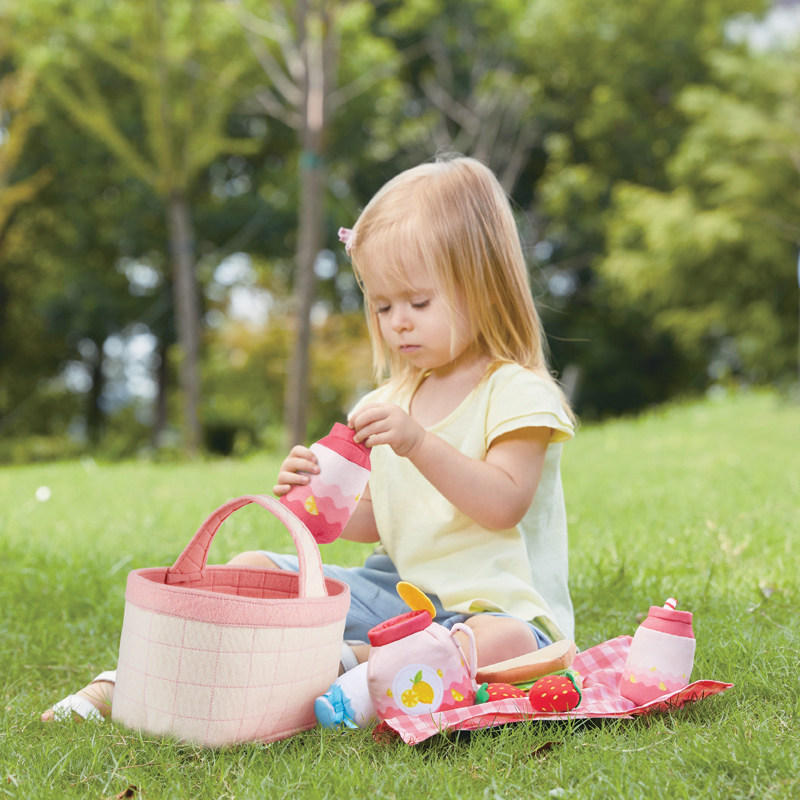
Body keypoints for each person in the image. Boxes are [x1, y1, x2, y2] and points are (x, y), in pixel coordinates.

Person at [42, 154, 575, 723]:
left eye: (419, 302)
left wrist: (418, 443)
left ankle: (337, 666)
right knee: (254, 567)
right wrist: (316, 496)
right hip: (398, 592)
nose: (398, 321)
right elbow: (373, 520)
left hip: (495, 607)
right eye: (381, 304)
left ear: (485, 287)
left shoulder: (517, 392)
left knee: (507, 646)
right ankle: (134, 680)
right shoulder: (383, 403)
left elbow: (502, 503)